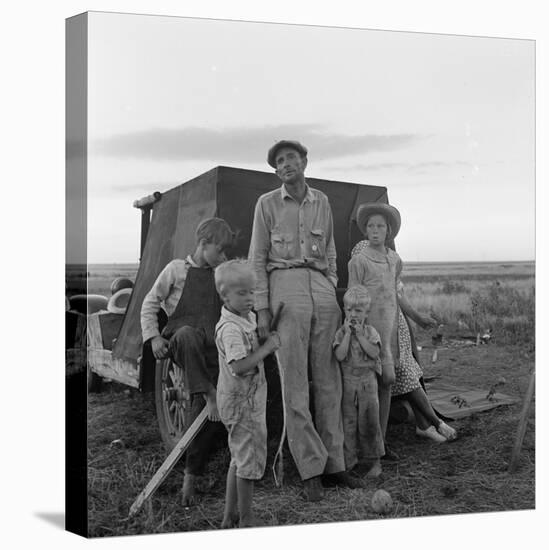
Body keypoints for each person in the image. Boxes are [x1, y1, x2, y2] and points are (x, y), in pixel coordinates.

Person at [248, 140, 354, 502]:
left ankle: (335, 464)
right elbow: (257, 257)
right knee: (295, 382)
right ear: (275, 170)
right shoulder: (267, 204)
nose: (286, 164)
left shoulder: (321, 201)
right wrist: (262, 309)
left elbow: (331, 249)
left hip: (321, 288)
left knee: (329, 380)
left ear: (304, 161)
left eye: (291, 158)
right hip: (285, 286)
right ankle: (310, 469)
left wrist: (331, 281)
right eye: (279, 161)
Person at [140, 217, 236, 505]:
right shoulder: (176, 270)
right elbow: (149, 303)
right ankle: (209, 393)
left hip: (210, 351)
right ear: (203, 244)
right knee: (187, 335)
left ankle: (189, 480)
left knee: (201, 415)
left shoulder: (220, 274)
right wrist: (154, 338)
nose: (223, 257)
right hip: (182, 344)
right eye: (219, 251)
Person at [349, 205, 457, 451]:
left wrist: (417, 318)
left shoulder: (394, 259)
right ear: (364, 228)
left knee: (402, 376)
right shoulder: (360, 253)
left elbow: (395, 294)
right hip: (372, 325)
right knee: (384, 381)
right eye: (371, 225)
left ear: (389, 231)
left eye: (381, 226)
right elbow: (357, 293)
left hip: (395, 326)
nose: (376, 230)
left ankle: (421, 426)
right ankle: (422, 426)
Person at [214, 260, 281, 528]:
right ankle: (247, 520)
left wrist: (264, 341)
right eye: (242, 293)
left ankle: (229, 515)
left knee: (238, 459)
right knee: (248, 462)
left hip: (243, 400)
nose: (249, 298)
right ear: (224, 295)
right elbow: (240, 367)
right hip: (242, 402)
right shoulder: (231, 328)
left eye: (252, 292)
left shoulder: (245, 319)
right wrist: (267, 349)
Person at [333, 286, 384, 478]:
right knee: (349, 422)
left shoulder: (370, 332)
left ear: (366, 313)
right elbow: (339, 355)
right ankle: (350, 462)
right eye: (349, 310)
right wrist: (347, 334)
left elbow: (374, 352)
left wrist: (360, 335)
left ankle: (373, 462)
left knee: (370, 421)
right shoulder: (340, 333)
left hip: (367, 382)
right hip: (348, 382)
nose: (353, 314)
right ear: (344, 310)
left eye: (358, 310)